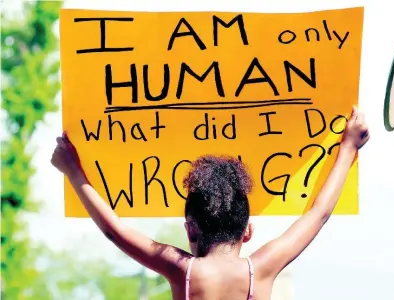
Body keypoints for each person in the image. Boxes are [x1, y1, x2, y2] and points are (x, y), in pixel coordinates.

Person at [51, 107, 370, 299]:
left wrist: (73, 170)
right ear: (247, 231)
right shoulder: (261, 269)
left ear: (191, 228)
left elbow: (114, 230)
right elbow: (319, 213)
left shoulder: (183, 271)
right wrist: (347, 147)